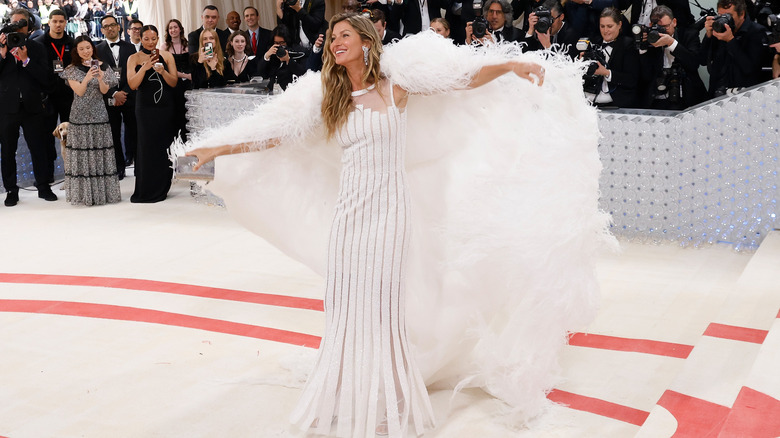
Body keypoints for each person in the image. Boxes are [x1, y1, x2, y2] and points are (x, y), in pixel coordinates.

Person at [186, 12, 547, 437]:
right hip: (348, 216)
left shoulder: (397, 87)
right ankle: (343, 391)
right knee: (344, 304)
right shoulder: (331, 98)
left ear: (365, 40)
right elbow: (278, 133)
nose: (336, 42)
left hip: (389, 214)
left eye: (345, 35)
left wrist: (508, 65)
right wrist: (221, 148)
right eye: (333, 37)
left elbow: (459, 79)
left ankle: (388, 396)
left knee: (381, 306)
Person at [0, 8, 57, 206]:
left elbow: (46, 79)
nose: (17, 27)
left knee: (38, 148)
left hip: (32, 106)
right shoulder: (1, 47)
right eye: (13, 23)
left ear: (29, 26)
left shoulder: (37, 47)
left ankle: (43, 186)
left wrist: (26, 60)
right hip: (7, 108)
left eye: (21, 23)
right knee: (8, 151)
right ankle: (11, 190)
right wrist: (2, 54)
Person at [60, 35, 121, 205]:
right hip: (79, 115)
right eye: (81, 49)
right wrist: (87, 76)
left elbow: (104, 90)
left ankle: (102, 195)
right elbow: (79, 91)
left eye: (88, 48)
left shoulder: (104, 66)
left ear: (93, 49)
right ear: (76, 51)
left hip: (99, 113)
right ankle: (84, 195)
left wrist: (100, 76)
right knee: (82, 156)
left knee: (100, 153)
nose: (86, 51)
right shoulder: (71, 69)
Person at [126, 24, 177, 203]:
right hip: (145, 108)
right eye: (146, 39)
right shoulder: (133, 58)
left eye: (153, 39)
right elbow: (133, 84)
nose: (150, 42)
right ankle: (146, 188)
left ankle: (162, 186)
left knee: (163, 146)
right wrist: (144, 67)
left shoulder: (167, 55)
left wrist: (163, 71)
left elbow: (173, 83)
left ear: (158, 39)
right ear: (140, 38)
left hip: (165, 108)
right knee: (146, 146)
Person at [638, 5, 707, 109]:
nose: (664, 32)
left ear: (674, 22)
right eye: (660, 28)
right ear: (651, 25)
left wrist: (672, 43)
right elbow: (646, 75)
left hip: (686, 97)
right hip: (657, 99)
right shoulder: (650, 39)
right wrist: (643, 48)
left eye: (666, 27)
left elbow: (694, 63)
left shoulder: (688, 34)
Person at [34, 8, 74, 180]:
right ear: (48, 22)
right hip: (47, 97)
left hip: (68, 96)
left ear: (66, 23)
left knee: (71, 136)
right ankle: (47, 175)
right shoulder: (38, 42)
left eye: (61, 21)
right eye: (55, 21)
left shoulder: (72, 43)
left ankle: (73, 173)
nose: (58, 24)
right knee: (46, 138)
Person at [95, 14, 136, 175]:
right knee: (113, 133)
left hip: (129, 95)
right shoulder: (97, 50)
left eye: (112, 25)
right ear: (102, 30)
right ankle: (119, 167)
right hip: (109, 97)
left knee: (133, 131)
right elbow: (98, 75)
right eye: (106, 26)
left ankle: (134, 161)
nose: (110, 28)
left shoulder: (130, 47)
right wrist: (114, 93)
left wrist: (124, 92)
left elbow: (134, 72)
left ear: (118, 26)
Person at [701, 0, 767, 97]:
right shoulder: (718, 30)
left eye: (728, 15)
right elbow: (702, 60)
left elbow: (750, 69)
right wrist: (708, 36)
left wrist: (730, 41)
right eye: (720, 15)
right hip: (716, 95)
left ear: (741, 14)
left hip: (744, 97)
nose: (724, 20)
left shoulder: (756, 32)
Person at [582, 7, 639, 107]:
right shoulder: (593, 43)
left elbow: (632, 79)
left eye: (609, 26)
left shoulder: (628, 45)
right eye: (602, 26)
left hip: (616, 103)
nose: (605, 30)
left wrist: (607, 73)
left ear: (619, 25)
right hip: (589, 102)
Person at [162, 18, 191, 140]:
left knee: (188, 114)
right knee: (175, 114)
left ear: (180, 29)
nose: (173, 30)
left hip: (188, 85)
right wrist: (185, 75)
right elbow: (166, 69)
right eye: (170, 28)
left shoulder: (188, 45)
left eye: (175, 27)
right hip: (173, 85)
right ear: (168, 31)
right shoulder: (164, 47)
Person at [258, 24, 308, 91]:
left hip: (291, 91)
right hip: (272, 91)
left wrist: (288, 60)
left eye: (282, 43)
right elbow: (260, 72)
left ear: (287, 41)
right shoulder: (271, 52)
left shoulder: (299, 52)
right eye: (276, 43)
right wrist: (266, 56)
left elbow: (303, 73)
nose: (279, 46)